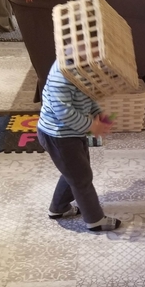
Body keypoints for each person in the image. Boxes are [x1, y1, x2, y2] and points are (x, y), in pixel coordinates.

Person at [37, 58, 121, 232]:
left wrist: (97, 113)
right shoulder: (61, 73)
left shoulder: (83, 67)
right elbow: (63, 112)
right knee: (81, 178)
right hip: (58, 136)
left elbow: (86, 94)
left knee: (75, 172)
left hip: (73, 134)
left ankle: (59, 208)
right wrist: (91, 126)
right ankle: (94, 220)